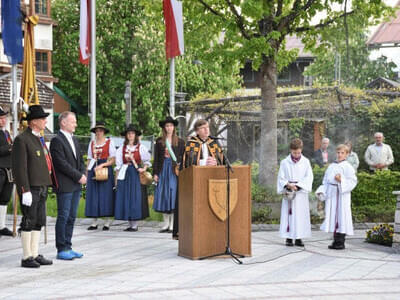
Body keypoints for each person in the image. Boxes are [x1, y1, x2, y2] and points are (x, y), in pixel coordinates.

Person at [12, 105, 54, 268]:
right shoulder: (22, 140)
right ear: (34, 122)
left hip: (41, 185)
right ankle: (26, 256)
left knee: (39, 220)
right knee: (29, 220)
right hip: (31, 187)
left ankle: (34, 253)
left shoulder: (38, 138)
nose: (45, 121)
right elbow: (20, 168)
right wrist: (25, 190)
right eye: (42, 119)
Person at [179, 119, 224, 240]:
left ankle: (211, 232)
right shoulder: (190, 144)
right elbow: (186, 164)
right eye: (203, 128)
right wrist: (203, 162)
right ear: (197, 131)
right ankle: (197, 234)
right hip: (196, 182)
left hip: (213, 181)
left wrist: (216, 162)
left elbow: (222, 161)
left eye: (207, 127)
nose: (206, 130)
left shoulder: (214, 143)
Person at [50, 111, 86, 260]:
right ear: (63, 123)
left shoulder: (74, 139)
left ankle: (68, 245)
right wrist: (78, 176)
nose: (76, 124)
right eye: (73, 121)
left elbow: (80, 161)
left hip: (76, 185)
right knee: (63, 216)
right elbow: (60, 163)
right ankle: (61, 248)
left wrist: (83, 173)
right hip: (65, 184)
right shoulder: (57, 140)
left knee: (72, 217)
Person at [316, 144, 357, 250]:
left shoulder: (348, 167)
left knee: (341, 216)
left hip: (341, 195)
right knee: (333, 217)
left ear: (347, 154)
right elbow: (325, 180)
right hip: (332, 194)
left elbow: (353, 181)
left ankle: (340, 241)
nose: (339, 155)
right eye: (338, 152)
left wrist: (341, 180)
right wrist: (322, 191)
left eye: (342, 153)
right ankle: (335, 240)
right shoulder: (332, 166)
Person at [277, 138, 313, 247]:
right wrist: (288, 184)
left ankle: (299, 238)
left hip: (300, 192)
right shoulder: (285, 162)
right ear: (290, 151)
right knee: (289, 214)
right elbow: (280, 178)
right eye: (294, 152)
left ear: (301, 150)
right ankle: (289, 238)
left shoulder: (306, 162)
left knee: (300, 215)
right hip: (289, 192)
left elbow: (309, 177)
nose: (296, 155)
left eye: (298, 152)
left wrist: (299, 186)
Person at [114, 124, 150, 231]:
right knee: (126, 197)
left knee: (135, 197)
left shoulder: (141, 147)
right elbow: (118, 166)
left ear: (135, 135)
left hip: (135, 174)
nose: (130, 135)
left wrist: (144, 168)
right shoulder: (121, 148)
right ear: (126, 136)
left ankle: (135, 224)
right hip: (125, 173)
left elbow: (147, 161)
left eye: (132, 133)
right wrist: (116, 181)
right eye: (128, 133)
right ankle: (130, 223)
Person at [153, 116, 185, 234]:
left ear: (174, 127)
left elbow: (183, 156)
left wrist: (180, 165)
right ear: (164, 128)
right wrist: (155, 173)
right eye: (167, 126)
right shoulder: (159, 141)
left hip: (173, 171)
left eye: (171, 125)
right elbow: (156, 158)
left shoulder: (180, 142)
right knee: (163, 194)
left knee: (172, 194)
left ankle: (172, 224)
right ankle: (165, 223)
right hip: (163, 170)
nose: (169, 128)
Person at [85, 121, 116, 231]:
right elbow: (89, 159)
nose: (98, 133)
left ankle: (107, 221)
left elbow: (113, 159)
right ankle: (94, 221)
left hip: (105, 170)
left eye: (100, 131)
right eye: (97, 131)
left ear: (104, 132)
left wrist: (103, 165)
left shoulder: (109, 142)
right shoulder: (92, 143)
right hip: (94, 168)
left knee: (105, 194)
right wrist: (87, 173)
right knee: (94, 195)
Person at [0, 108, 14, 236]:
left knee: (5, 198)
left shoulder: (6, 133)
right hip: (0, 168)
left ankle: (2, 225)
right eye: (0, 118)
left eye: (4, 118)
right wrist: (10, 147)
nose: (3, 121)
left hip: (8, 168)